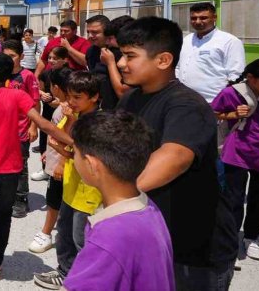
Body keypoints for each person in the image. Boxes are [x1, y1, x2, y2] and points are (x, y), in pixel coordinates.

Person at [116, 17, 237, 290]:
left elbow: (174, 158)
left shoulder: (186, 105)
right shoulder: (130, 99)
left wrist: (117, 195)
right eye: (121, 55)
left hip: (193, 251)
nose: (121, 63)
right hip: (150, 241)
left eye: (129, 56)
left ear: (163, 60)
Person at [0, 53, 72, 291]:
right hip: (10, 168)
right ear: (8, 75)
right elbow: (42, 123)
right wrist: (74, 142)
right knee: (2, 216)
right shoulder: (18, 96)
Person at [62, 110, 176, 291]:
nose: (73, 158)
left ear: (92, 165)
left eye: (74, 153)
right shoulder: (148, 208)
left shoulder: (107, 239)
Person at [33, 71, 102, 290]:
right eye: (70, 96)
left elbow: (81, 149)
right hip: (71, 186)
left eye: (77, 98)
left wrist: (64, 143)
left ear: (94, 97)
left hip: (88, 192)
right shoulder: (75, 113)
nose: (71, 102)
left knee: (81, 238)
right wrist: (60, 155)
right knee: (64, 232)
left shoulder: (97, 121)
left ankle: (87, 280)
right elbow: (63, 138)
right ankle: (64, 271)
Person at [212, 58, 259, 262]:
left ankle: (251, 238)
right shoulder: (232, 92)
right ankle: (229, 240)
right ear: (250, 78)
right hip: (236, 151)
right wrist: (232, 113)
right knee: (233, 199)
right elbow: (212, 112)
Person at [28, 67, 72, 255]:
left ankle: (47, 233)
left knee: (54, 199)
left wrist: (61, 162)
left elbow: (66, 137)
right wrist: (48, 152)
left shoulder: (67, 110)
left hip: (62, 166)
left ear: (55, 87)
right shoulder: (62, 106)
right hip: (56, 161)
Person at [1, 39, 41, 219]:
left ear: (22, 56)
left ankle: (21, 199)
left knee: (20, 166)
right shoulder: (0, 74)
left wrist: (34, 126)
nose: (9, 60)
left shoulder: (27, 76)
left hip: (21, 129)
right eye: (6, 56)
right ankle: (7, 195)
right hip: (3, 129)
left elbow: (35, 103)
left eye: (13, 56)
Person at [177, 2, 246, 103]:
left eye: (203, 18)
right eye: (193, 18)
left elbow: (236, 75)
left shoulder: (229, 41)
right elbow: (178, 68)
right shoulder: (186, 40)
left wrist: (224, 101)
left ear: (214, 17)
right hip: (184, 100)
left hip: (213, 103)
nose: (197, 21)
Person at [82, 14, 122, 110]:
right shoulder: (91, 52)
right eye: (88, 32)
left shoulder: (120, 53)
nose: (90, 36)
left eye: (95, 32)